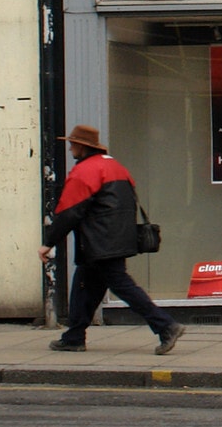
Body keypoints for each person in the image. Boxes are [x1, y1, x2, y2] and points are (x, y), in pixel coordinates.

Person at [40, 124, 184, 355]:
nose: (70, 149)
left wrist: (49, 242)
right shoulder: (116, 167)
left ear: (82, 147)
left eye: (72, 144)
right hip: (116, 239)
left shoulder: (85, 171)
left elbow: (70, 211)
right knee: (83, 288)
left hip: (99, 242)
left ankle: (165, 325)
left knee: (123, 286)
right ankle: (73, 336)